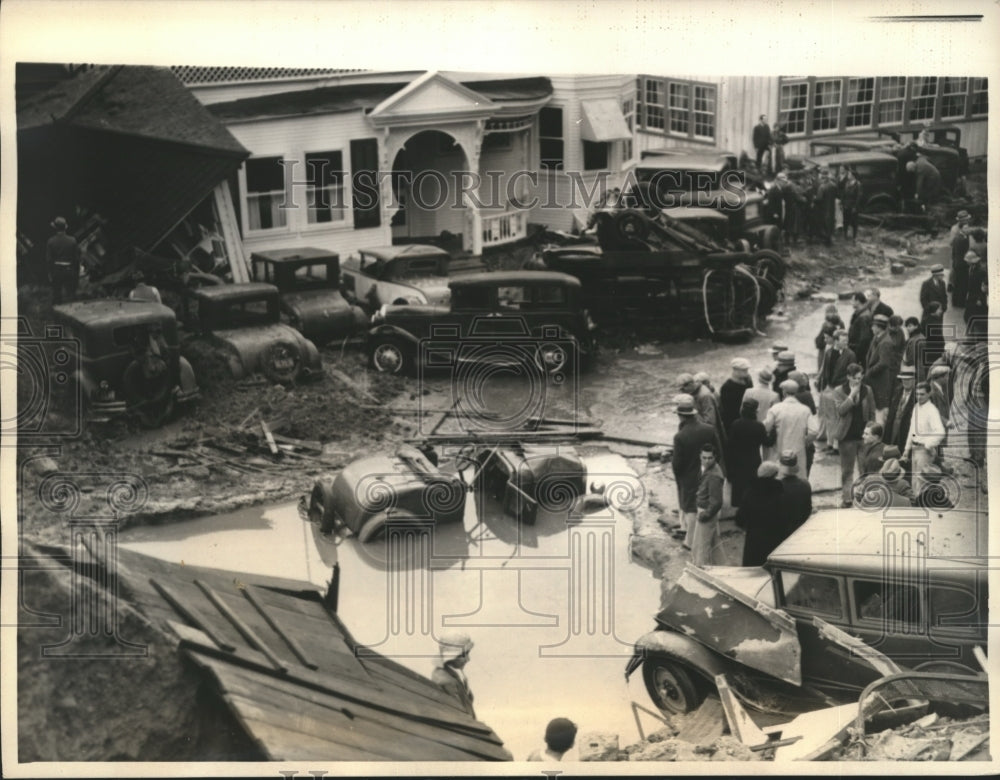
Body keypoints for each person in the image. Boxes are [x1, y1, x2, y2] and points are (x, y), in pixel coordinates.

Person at [671, 394, 721, 548]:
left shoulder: (680, 436)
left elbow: (677, 463)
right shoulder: (709, 429)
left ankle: (690, 541)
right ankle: (701, 537)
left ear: (681, 416)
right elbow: (717, 451)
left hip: (688, 475)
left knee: (689, 507)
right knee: (703, 503)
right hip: (706, 471)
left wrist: (678, 475)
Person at [834, 364, 876, 506]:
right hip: (847, 437)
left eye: (860, 377)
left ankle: (865, 497)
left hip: (863, 436)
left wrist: (871, 431)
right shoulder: (839, 391)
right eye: (854, 378)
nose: (858, 381)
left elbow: (872, 412)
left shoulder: (867, 390)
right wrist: (851, 395)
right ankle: (847, 498)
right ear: (848, 377)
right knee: (847, 470)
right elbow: (841, 411)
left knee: (864, 468)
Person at [902, 381, 946, 502]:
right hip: (915, 450)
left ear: (929, 394)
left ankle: (922, 510)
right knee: (915, 482)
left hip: (924, 451)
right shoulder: (916, 407)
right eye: (917, 394)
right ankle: (916, 511)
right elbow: (912, 429)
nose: (919, 397)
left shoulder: (932, 411)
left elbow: (941, 432)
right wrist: (906, 449)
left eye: (922, 394)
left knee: (922, 484)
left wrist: (928, 444)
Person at [738, 461, 786, 566]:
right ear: (774, 475)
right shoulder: (779, 490)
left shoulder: (750, 491)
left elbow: (740, 518)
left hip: (754, 538)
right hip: (774, 537)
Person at [764, 378, 816, 474]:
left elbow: (766, 427)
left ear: (784, 392)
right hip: (799, 452)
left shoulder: (775, 409)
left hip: (780, 450)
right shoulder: (805, 410)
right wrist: (804, 441)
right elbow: (814, 431)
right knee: (798, 477)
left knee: (780, 478)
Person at [817, 329, 855, 454]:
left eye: (847, 340)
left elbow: (852, 374)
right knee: (829, 417)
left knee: (838, 417)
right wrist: (822, 385)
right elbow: (825, 371)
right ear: (836, 341)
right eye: (844, 340)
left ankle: (837, 446)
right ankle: (830, 443)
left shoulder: (850, 354)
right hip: (829, 388)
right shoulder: (828, 353)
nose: (846, 342)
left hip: (840, 389)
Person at [726, 397, 768, 508]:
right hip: (753, 459)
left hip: (738, 460)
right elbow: (766, 442)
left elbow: (730, 445)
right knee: (751, 486)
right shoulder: (759, 426)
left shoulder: (736, 424)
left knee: (739, 486)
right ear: (755, 411)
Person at [692, 443, 725, 567]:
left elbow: (716, 502)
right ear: (700, 457)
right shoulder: (712, 469)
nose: (706, 461)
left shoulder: (713, 475)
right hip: (706, 510)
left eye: (710, 458)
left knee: (702, 546)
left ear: (715, 457)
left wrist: (704, 515)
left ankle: (701, 569)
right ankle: (723, 568)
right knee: (714, 544)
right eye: (704, 457)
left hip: (707, 512)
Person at [432, 631, 476, 718]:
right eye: (464, 655)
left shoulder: (454, 675)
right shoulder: (446, 681)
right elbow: (458, 715)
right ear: (452, 656)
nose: (468, 659)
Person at [865, 313, 895, 426]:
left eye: (873, 326)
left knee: (880, 409)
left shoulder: (885, 342)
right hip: (874, 380)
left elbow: (883, 363)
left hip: (880, 381)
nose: (872, 328)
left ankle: (879, 434)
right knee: (875, 407)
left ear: (878, 327)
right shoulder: (877, 338)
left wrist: (869, 372)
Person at [45, 216, 82, 304]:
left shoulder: (50, 241)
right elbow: (76, 259)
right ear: (65, 227)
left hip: (56, 272)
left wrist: (50, 273)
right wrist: (77, 273)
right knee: (71, 296)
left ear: (55, 228)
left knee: (57, 297)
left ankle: (60, 314)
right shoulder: (72, 240)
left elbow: (49, 260)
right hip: (69, 271)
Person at [776, 451, 812, 535]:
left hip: (782, 529)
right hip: (800, 527)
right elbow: (808, 510)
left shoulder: (775, 487)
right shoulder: (805, 484)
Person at [885, 366, 917, 452]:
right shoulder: (897, 391)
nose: (905, 382)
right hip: (893, 428)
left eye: (909, 379)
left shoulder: (917, 395)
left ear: (914, 380)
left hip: (906, 431)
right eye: (903, 379)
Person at [720, 358, 754, 430]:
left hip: (748, 417)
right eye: (744, 370)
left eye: (747, 370)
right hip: (734, 421)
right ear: (735, 370)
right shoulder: (727, 387)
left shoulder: (748, 379)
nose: (747, 372)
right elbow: (728, 410)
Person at [949, 210, 972, 307]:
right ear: (960, 220)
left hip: (959, 255)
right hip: (959, 255)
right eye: (964, 220)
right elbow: (951, 242)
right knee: (957, 277)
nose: (966, 221)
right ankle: (957, 298)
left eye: (967, 219)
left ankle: (957, 299)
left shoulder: (967, 229)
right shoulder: (955, 229)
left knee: (959, 278)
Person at [848, 292, 874, 365]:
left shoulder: (863, 317)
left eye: (852, 300)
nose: (851, 302)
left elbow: (865, 338)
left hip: (859, 352)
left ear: (858, 301)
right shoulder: (862, 313)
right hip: (857, 349)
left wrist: (857, 354)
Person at [901, 317, 927, 384]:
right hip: (920, 368)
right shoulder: (920, 336)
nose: (907, 328)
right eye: (906, 326)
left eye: (910, 326)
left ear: (916, 326)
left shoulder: (914, 340)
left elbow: (910, 358)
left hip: (914, 370)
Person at [922, 300, 946, 365]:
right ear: (934, 310)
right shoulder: (935, 323)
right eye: (939, 309)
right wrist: (942, 349)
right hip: (934, 351)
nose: (941, 311)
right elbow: (939, 339)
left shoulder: (925, 319)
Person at [839, 167, 861, 240]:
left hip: (853, 206)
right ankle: (845, 235)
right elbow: (843, 194)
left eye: (849, 174)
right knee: (845, 221)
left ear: (853, 176)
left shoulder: (858, 184)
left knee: (854, 222)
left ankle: (854, 236)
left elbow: (858, 197)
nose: (848, 175)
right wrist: (841, 203)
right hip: (846, 205)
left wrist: (855, 207)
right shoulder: (847, 183)